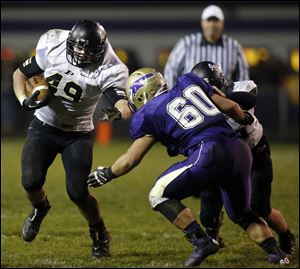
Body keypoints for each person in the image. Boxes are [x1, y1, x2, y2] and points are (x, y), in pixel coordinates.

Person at [87, 67, 289, 266]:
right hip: (239, 150)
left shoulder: (147, 114)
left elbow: (131, 159)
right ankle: (278, 256)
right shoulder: (188, 82)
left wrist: (107, 173)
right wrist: (244, 118)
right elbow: (231, 107)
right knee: (243, 214)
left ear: (139, 95)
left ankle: (201, 242)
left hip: (208, 152)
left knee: (159, 194)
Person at [12, 19, 133, 259]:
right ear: (70, 42)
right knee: (30, 181)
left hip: (77, 133)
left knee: (77, 192)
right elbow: (20, 74)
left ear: (100, 48)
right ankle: (40, 208)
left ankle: (99, 231)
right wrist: (23, 100)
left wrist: (120, 110)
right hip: (44, 125)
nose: (81, 52)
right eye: (78, 47)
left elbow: (122, 103)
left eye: (88, 49)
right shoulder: (54, 43)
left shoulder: (111, 66)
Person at [191, 61, 296, 256]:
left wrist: (216, 97)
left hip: (255, 154)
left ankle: (286, 235)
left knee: (259, 207)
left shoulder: (239, 88)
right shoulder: (196, 107)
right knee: (207, 210)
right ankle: (212, 235)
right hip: (223, 159)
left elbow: (249, 98)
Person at [164, 4, 249, 89]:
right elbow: (171, 70)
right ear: (202, 22)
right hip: (191, 98)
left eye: (216, 21)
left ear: (222, 23)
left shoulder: (233, 46)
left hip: (222, 99)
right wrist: (174, 94)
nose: (212, 24)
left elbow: (243, 77)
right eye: (209, 20)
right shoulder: (187, 43)